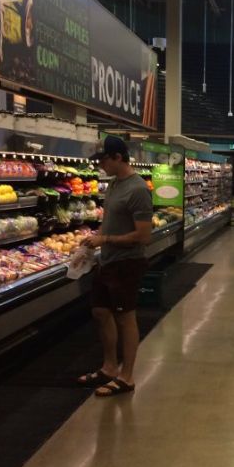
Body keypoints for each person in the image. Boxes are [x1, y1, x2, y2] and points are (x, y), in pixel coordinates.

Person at [77, 135, 153, 396]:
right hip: (106, 260)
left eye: (103, 160)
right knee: (100, 311)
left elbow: (143, 235)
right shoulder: (113, 185)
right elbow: (108, 222)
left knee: (125, 317)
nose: (100, 166)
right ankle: (109, 367)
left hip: (127, 263)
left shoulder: (138, 189)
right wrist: (90, 244)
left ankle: (127, 376)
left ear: (118, 158)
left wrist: (105, 239)